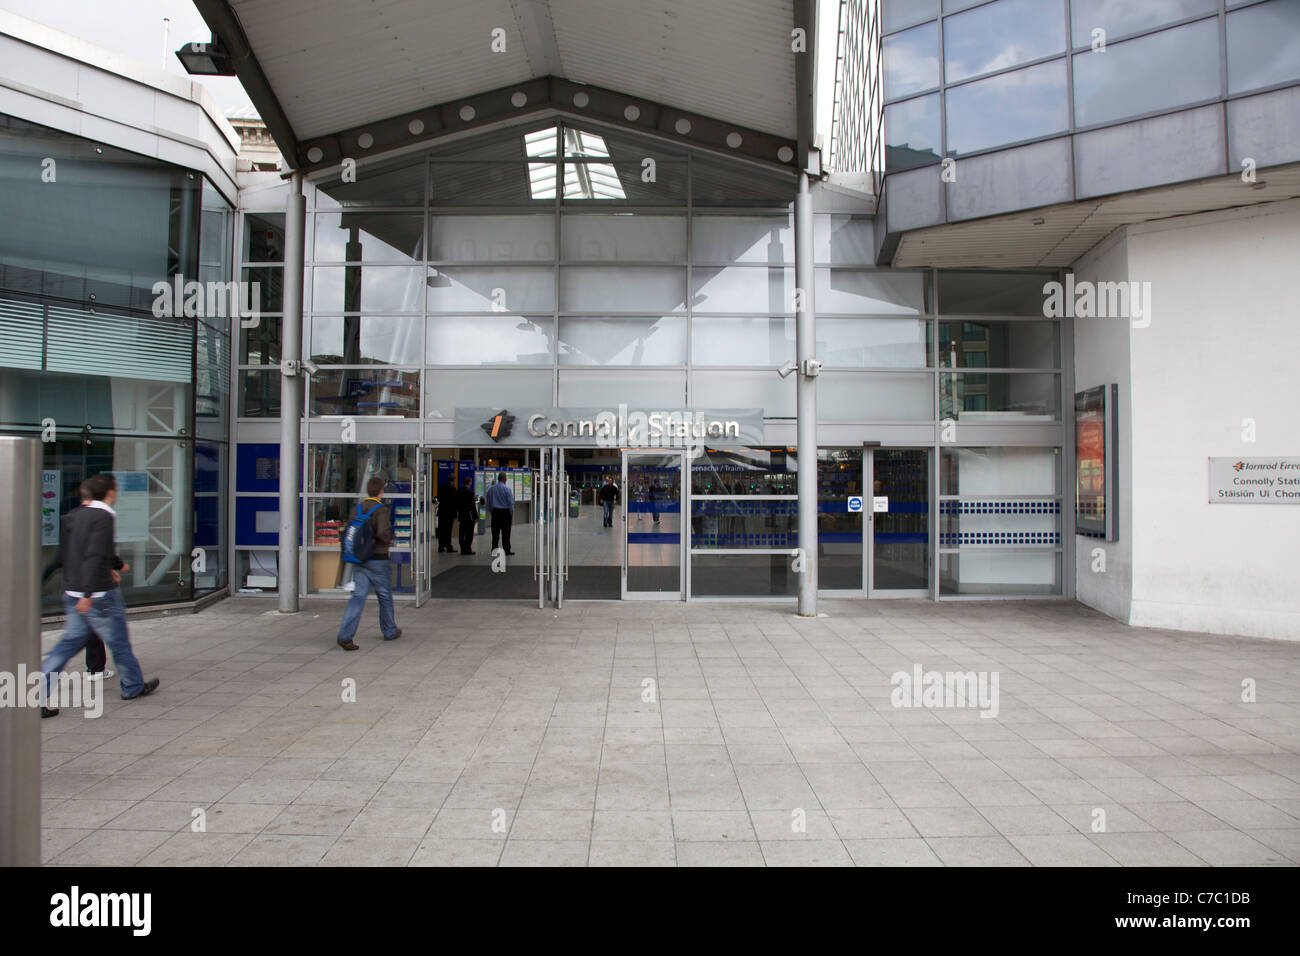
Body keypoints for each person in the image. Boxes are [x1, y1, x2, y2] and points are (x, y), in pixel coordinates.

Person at [40, 474, 158, 717]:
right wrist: (89, 593)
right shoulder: (104, 516)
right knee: (119, 643)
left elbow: (69, 555)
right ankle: (132, 687)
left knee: (66, 646)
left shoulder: (72, 516)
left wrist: (113, 566)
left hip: (73, 591)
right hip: (97, 595)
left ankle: (37, 697)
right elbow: (95, 554)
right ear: (110, 493)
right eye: (115, 490)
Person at [41, 482, 113, 682]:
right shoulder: (97, 517)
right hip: (87, 585)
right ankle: (97, 669)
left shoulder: (69, 515)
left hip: (72, 583)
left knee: (81, 633)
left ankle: (98, 669)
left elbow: (61, 556)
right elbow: (97, 552)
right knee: (85, 633)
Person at [336, 476, 402, 651]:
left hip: (359, 559)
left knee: (358, 596)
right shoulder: (381, 509)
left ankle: (345, 635)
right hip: (378, 558)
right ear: (381, 491)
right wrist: (390, 538)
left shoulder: (356, 508)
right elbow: (382, 532)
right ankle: (389, 630)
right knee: (384, 595)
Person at [486, 472, 515, 555]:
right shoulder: (507, 489)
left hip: (495, 513)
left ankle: (494, 549)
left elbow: (489, 502)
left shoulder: (491, 489)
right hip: (505, 513)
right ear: (504, 479)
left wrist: (492, 511)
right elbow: (510, 502)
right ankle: (507, 549)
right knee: (506, 533)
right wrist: (510, 512)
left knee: (495, 533)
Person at [456, 479, 478, 555]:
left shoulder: (458, 491)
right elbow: (473, 506)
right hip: (469, 515)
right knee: (469, 533)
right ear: (469, 483)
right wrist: (476, 516)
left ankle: (462, 548)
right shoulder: (470, 493)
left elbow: (457, 504)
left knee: (462, 532)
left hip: (462, 515)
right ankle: (467, 548)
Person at [436, 476, 457, 553]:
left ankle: (440, 546)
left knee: (441, 529)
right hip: (450, 512)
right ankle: (448, 546)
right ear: (453, 480)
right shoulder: (452, 488)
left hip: (442, 511)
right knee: (448, 530)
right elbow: (455, 500)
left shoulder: (440, 487)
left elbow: (438, 498)